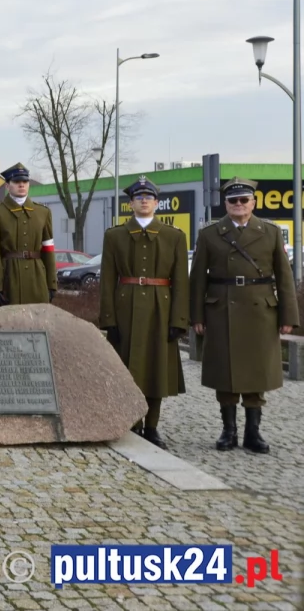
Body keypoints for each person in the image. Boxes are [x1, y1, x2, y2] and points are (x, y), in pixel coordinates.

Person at [190, 178, 299, 454]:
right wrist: (196, 315)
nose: (239, 205)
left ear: (254, 202)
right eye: (233, 200)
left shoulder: (271, 232)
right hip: (221, 308)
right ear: (225, 204)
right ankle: (229, 431)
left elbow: (285, 278)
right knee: (225, 372)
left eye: (244, 200)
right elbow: (197, 280)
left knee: (256, 372)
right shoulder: (210, 234)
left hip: (260, 309)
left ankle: (253, 432)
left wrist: (288, 315)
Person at [99, 177, 189, 449]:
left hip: (160, 308)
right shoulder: (114, 236)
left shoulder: (175, 236)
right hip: (125, 307)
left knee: (156, 368)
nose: (144, 201)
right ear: (130, 204)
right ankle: (130, 422)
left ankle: (152, 426)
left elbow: (181, 282)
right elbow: (107, 280)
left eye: (148, 197)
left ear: (157, 203)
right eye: (139, 198)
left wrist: (178, 320)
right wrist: (109, 319)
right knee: (126, 368)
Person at [0, 163, 56, 308]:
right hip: (8, 278)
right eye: (16, 182)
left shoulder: (43, 212)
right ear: (7, 186)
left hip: (37, 278)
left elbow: (48, 250)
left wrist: (52, 283)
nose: (21, 185)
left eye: (25, 182)